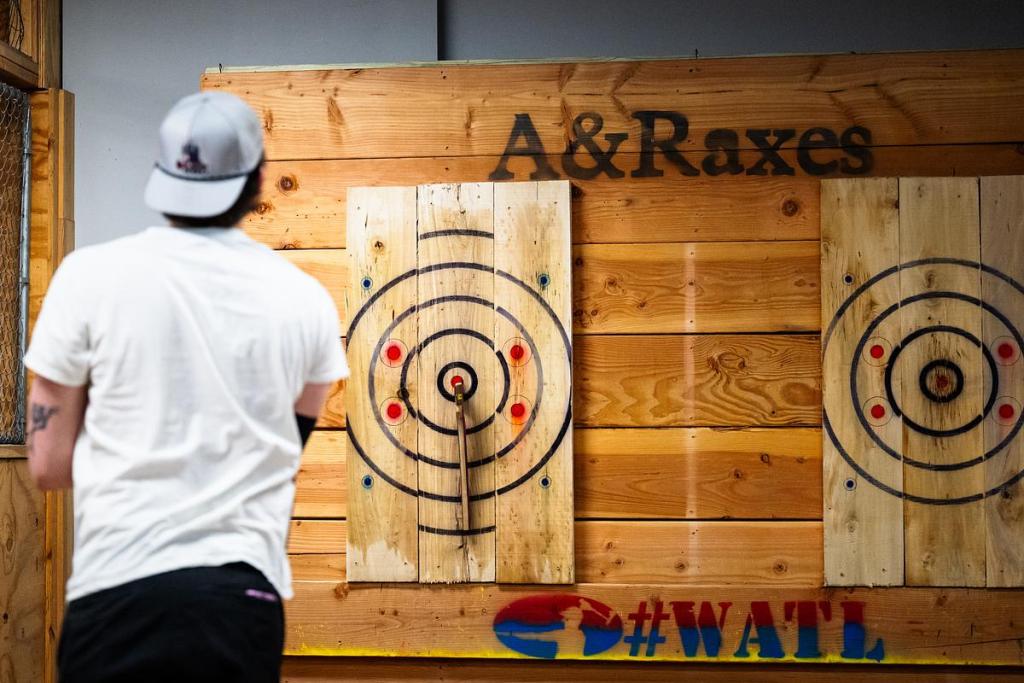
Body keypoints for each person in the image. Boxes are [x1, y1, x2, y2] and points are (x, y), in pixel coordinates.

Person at [24, 91, 348, 682]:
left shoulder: (88, 278)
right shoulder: (306, 301)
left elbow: (47, 465)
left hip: (115, 591)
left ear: (164, 176)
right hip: (239, 601)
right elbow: (282, 450)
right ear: (255, 183)